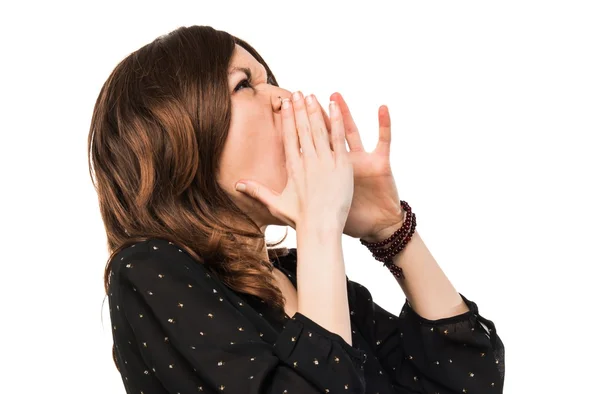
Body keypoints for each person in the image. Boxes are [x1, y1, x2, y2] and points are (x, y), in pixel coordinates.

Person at [88, 25, 505, 393]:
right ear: (175, 138)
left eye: (270, 80)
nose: (284, 98)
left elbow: (468, 380)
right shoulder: (148, 270)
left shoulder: (299, 274)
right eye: (244, 85)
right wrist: (320, 223)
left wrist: (391, 231)